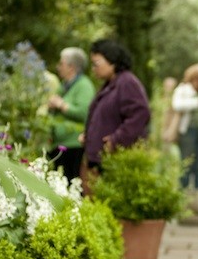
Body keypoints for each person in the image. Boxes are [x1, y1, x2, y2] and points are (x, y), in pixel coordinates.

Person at [82, 39, 150, 177]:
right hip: (103, 159)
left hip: (116, 161)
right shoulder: (110, 83)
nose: (94, 69)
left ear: (112, 61)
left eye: (96, 64)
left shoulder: (127, 82)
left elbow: (140, 113)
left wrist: (117, 139)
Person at [46, 47, 95, 180]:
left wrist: (61, 105)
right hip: (59, 145)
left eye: (61, 63)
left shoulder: (84, 85)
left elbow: (85, 113)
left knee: (71, 184)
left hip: (73, 146)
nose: (58, 67)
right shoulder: (65, 85)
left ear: (71, 67)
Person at [172, 64, 198, 189]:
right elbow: (177, 105)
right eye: (196, 78)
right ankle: (183, 190)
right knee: (187, 160)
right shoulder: (183, 90)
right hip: (188, 130)